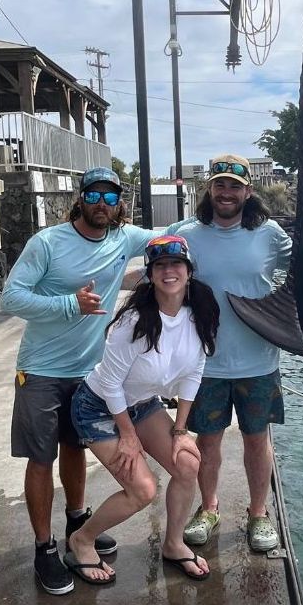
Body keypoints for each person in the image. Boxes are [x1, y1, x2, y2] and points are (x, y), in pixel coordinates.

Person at [1, 167, 154, 595]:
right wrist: (70, 303)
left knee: (75, 448)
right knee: (40, 458)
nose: (102, 204)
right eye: (95, 195)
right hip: (41, 371)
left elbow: (173, 235)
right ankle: (43, 548)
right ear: (81, 197)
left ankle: (75, 521)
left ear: (119, 202)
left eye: (111, 197)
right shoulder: (48, 242)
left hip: (87, 373)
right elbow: (12, 297)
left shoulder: (124, 239)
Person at [65, 234, 220, 584]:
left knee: (187, 463)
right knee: (142, 490)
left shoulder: (200, 314)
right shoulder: (134, 322)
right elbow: (109, 384)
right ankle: (82, 539)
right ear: (150, 275)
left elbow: (195, 372)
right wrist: (128, 435)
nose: (169, 272)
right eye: (160, 266)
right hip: (99, 407)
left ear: (189, 271)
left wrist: (180, 431)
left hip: (141, 404)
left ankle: (174, 543)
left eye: (176, 264)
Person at [169, 155, 292, 553]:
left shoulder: (271, 234)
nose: (226, 193)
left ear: (248, 192)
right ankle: (208, 507)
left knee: (258, 441)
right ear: (209, 190)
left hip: (259, 361)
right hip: (204, 363)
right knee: (208, 442)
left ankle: (259, 514)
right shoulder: (186, 233)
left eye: (235, 186)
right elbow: (159, 274)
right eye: (220, 185)